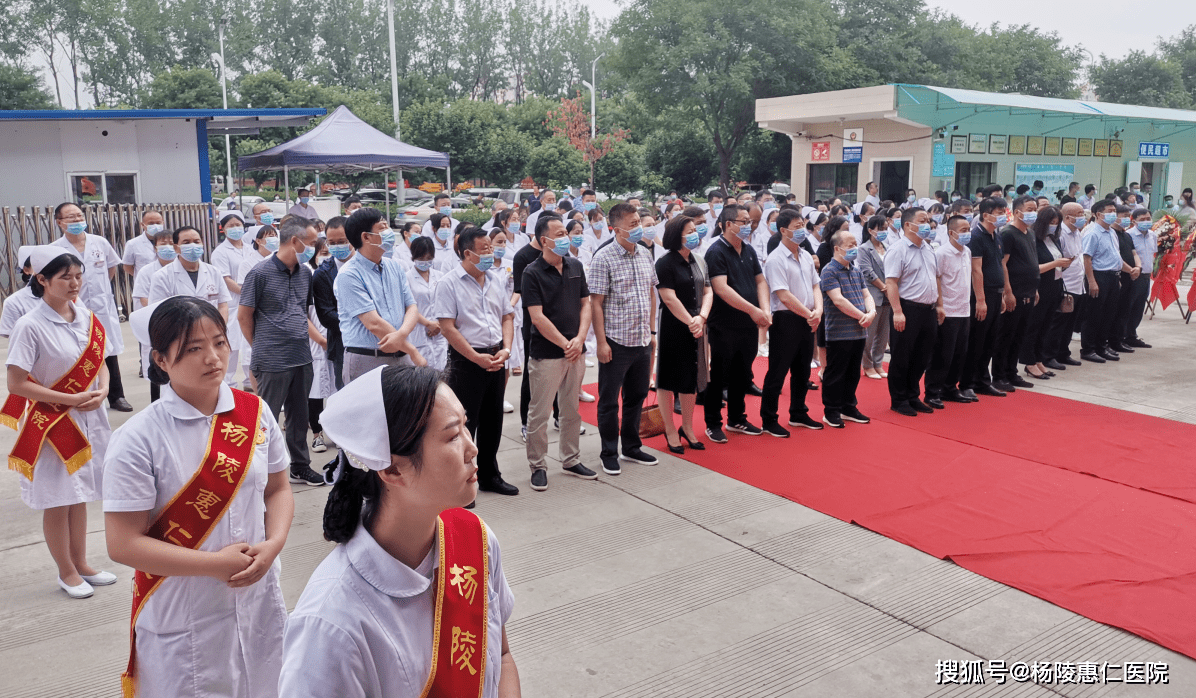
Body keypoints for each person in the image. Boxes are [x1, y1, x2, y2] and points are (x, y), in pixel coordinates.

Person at [279, 364, 519, 697]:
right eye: (452, 435)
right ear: (392, 469)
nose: (472, 447)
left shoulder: (474, 540)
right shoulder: (330, 624)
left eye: (466, 425)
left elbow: (503, 658)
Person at [104, 296, 293, 697]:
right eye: (193, 348)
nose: (213, 358)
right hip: (182, 609)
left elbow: (278, 489)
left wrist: (274, 544)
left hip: (257, 595)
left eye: (220, 343)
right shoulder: (139, 439)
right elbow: (123, 544)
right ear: (160, 359)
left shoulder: (255, 412)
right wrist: (212, 565)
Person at [5, 246, 116, 599]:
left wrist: (104, 388)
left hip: (89, 414)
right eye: (65, 277)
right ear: (42, 280)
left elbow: (100, 359)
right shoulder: (29, 325)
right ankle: (65, 572)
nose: (74, 284)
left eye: (78, 276)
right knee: (57, 499)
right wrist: (70, 400)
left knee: (79, 495)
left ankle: (82, 563)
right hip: (52, 423)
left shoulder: (85, 315)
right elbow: (16, 383)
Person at [239, 217, 327, 486]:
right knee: (266, 419)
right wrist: (261, 346)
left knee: (299, 418)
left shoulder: (305, 274)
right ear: (294, 241)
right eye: (311, 243)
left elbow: (302, 313)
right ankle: (259, 471)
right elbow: (245, 316)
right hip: (272, 359)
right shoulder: (260, 273)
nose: (313, 248)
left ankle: (300, 466)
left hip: (301, 356)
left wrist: (321, 341)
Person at [435, 226, 518, 497]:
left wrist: (506, 349)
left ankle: (490, 475)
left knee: (494, 420)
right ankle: (461, 483)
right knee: (464, 424)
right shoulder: (449, 283)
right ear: (467, 253)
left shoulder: (495, 279)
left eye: (491, 248)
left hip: (496, 356)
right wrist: (475, 357)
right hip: (467, 361)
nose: (490, 254)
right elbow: (447, 327)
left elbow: (507, 316)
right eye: (484, 249)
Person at [522, 213, 595, 491]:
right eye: (561, 233)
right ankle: (538, 465)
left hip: (576, 350)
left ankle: (571, 458)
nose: (566, 238)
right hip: (547, 354)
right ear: (545, 240)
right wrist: (565, 343)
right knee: (539, 413)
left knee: (571, 409)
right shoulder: (532, 272)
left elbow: (585, 303)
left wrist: (579, 339)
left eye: (566, 233)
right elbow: (537, 317)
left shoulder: (575, 265)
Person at [589, 203, 660, 473]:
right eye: (632, 225)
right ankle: (609, 451)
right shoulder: (603, 257)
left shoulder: (644, 253)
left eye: (638, 223)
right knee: (609, 400)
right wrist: (602, 342)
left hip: (642, 339)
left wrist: (652, 332)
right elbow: (596, 303)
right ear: (616, 229)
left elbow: (651, 293)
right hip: (616, 341)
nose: (638, 228)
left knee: (637, 395)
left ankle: (631, 446)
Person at [50, 203, 132, 412]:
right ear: (60, 222)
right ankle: (81, 394)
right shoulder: (55, 249)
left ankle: (116, 396)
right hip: (73, 308)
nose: (77, 220)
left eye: (79, 216)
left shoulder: (99, 242)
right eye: (70, 217)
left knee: (108, 350)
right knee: (78, 351)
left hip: (103, 306)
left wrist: (101, 290)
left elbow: (111, 267)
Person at [702, 203, 770, 442]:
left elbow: (760, 281)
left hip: (748, 323)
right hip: (725, 323)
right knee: (720, 374)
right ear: (728, 224)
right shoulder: (716, 252)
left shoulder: (748, 250)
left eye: (749, 221)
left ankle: (737, 418)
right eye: (743, 221)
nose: (748, 226)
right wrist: (754, 310)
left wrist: (764, 310)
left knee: (743, 372)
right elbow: (721, 288)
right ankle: (713, 422)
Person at [336, 208, 423, 383]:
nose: (389, 233)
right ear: (366, 237)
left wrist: (401, 337)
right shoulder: (349, 274)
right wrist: (412, 350)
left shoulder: (394, 267)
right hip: (367, 359)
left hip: (401, 356)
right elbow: (373, 323)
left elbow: (411, 307)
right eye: (382, 228)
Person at [760, 209, 823, 436]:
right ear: (783, 230)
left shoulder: (805, 255)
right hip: (787, 319)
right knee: (778, 371)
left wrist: (818, 310)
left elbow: (816, 285)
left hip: (808, 316)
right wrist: (809, 313)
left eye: (802, 225)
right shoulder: (776, 259)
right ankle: (769, 419)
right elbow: (783, 295)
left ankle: (798, 412)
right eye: (796, 227)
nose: (801, 230)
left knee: (802, 370)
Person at [655, 215, 713, 451]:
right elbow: (668, 297)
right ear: (676, 235)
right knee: (668, 378)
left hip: (697, 323)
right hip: (674, 324)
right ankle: (670, 429)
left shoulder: (699, 260)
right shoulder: (665, 263)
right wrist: (691, 321)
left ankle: (687, 427)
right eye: (690, 230)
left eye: (696, 229)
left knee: (691, 376)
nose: (695, 233)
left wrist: (701, 318)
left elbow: (708, 290)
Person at [884, 207, 939, 416]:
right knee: (902, 355)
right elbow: (891, 282)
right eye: (923, 220)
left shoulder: (928, 247)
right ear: (908, 225)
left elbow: (934, 278)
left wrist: (938, 305)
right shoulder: (898, 249)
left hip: (928, 309)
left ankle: (912, 394)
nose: (928, 224)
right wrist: (897, 311)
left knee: (922, 355)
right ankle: (898, 399)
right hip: (907, 309)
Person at [819, 229, 874, 428]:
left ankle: (848, 406)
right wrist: (863, 316)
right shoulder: (829, 271)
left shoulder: (855, 269)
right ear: (837, 248)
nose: (854, 249)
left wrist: (872, 312)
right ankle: (831, 410)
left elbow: (866, 294)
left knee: (853, 372)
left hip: (859, 330)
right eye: (850, 245)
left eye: (854, 244)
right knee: (836, 372)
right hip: (839, 332)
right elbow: (838, 300)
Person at [990, 196, 1039, 392]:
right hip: (1014, 293)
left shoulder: (1030, 233)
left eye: (1035, 208)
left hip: (1028, 292)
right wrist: (1008, 292)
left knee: (1019, 335)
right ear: (1018, 212)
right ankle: (999, 375)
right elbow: (1003, 264)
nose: (1033, 212)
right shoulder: (1008, 234)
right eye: (1029, 208)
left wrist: (1034, 289)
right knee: (1006, 336)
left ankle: (1012, 372)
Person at [960, 196, 1009, 398]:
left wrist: (1004, 294)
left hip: (996, 294)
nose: (1003, 216)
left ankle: (982, 380)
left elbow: (999, 265)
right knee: (977, 340)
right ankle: (967, 382)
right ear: (986, 214)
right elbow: (976, 271)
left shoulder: (995, 236)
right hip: (982, 295)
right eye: (999, 213)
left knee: (990, 340)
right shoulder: (976, 237)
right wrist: (980, 300)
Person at [925, 215, 974, 406]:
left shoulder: (967, 251)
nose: (967, 233)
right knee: (942, 354)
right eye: (963, 230)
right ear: (951, 233)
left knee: (960, 353)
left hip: (964, 309)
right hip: (948, 310)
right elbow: (937, 279)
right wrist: (940, 305)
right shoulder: (942, 253)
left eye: (968, 229)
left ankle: (950, 388)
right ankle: (933, 391)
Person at [1018, 207, 1069, 380]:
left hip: (1055, 286)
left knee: (1045, 326)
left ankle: (1039, 359)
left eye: (1056, 223)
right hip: (1040, 287)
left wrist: (1064, 263)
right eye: (1051, 223)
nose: (1053, 226)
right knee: (1033, 326)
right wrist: (1055, 264)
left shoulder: (1054, 240)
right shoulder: (1033, 239)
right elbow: (1032, 268)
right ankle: (1029, 361)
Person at [148, 226, 231, 318]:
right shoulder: (162, 276)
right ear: (176, 248)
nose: (193, 246)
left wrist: (219, 328)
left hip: (211, 329)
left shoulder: (214, 272)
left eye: (196, 242)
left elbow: (223, 305)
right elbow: (158, 311)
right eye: (186, 242)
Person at [1080, 200, 1125, 363]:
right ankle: (1088, 349)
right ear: (1099, 214)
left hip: (1113, 276)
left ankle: (1101, 346)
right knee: (1094, 314)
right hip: (1099, 276)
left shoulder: (1111, 232)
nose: (1113, 214)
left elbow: (1115, 254)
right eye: (1110, 211)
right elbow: (1087, 259)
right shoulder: (1092, 232)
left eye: (1114, 210)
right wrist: (1092, 281)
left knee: (1108, 314)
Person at [211, 212, 251, 388]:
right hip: (233, 302)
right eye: (231, 226)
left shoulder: (250, 248)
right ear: (224, 229)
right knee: (231, 345)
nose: (236, 229)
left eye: (238, 225)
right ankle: (228, 384)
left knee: (250, 344)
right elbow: (225, 279)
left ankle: (251, 381)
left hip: (251, 303)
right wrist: (248, 291)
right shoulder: (220, 252)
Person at [313, 216, 351, 392]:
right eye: (332, 242)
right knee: (345, 392)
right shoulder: (323, 274)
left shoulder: (369, 266)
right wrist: (361, 321)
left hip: (375, 343)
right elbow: (326, 315)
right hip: (341, 344)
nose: (337, 246)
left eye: (342, 241)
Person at [406, 236, 449, 371]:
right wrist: (428, 324)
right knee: (421, 376)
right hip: (418, 332)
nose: (425, 262)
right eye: (421, 258)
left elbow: (446, 304)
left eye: (428, 258)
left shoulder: (440, 276)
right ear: (414, 256)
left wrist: (438, 325)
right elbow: (407, 306)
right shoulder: (407, 278)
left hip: (439, 332)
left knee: (441, 373)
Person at [857, 215, 891, 380]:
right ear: (870, 230)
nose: (884, 232)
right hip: (874, 293)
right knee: (869, 334)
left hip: (889, 296)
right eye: (880, 229)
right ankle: (868, 365)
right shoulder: (864, 248)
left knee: (883, 334)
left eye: (886, 228)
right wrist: (883, 287)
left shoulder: (888, 246)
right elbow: (867, 271)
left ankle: (878, 364)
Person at [1108, 206, 1144, 354]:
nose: (1127, 218)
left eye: (1128, 215)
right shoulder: (1112, 234)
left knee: (1125, 309)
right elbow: (1116, 257)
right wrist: (1130, 269)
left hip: (1132, 276)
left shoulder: (1126, 235)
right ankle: (1109, 341)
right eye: (1124, 215)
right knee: (1113, 311)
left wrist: (1138, 267)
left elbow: (1134, 253)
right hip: (1119, 276)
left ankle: (1119, 340)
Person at [1122, 209, 1157, 349]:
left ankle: (1131, 335)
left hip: (1146, 275)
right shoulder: (1129, 235)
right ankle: (1121, 336)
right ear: (1134, 220)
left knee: (1139, 307)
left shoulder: (1152, 235)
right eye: (1142, 219)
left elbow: (1152, 253)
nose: (1146, 222)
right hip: (1133, 275)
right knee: (1128, 306)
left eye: (1148, 218)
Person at [0, 247, 40, 339]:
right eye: (37, 264)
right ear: (26, 270)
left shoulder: (67, 297)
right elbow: (15, 338)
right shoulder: (14, 302)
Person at [122, 209, 166, 278]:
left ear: (163, 223)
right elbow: (127, 266)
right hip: (145, 285)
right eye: (151, 223)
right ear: (142, 225)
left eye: (158, 223)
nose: (155, 226)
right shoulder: (132, 244)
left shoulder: (172, 242)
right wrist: (142, 277)